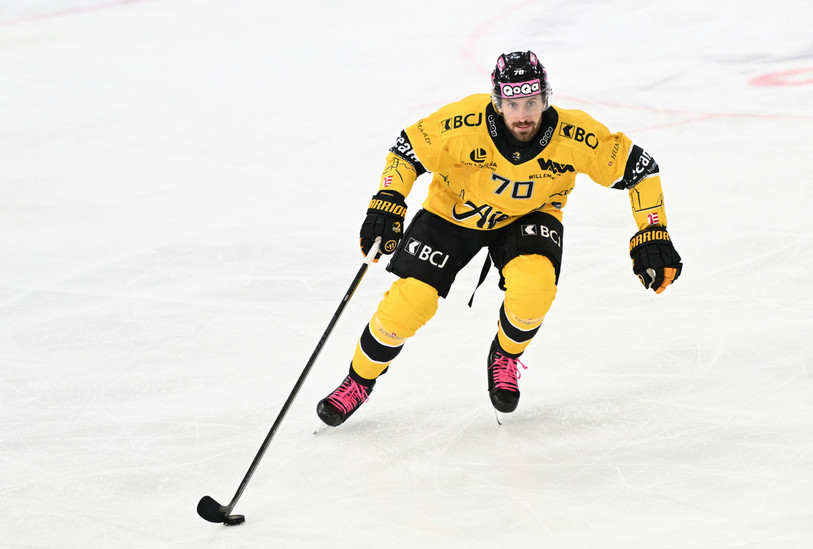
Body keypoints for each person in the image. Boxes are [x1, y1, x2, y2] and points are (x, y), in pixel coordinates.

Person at [316, 50, 682, 426]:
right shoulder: (463, 123)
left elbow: (640, 168)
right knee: (411, 302)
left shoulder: (575, 135)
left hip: (528, 215)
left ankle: (505, 355)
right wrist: (387, 200)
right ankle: (359, 381)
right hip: (452, 212)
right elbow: (407, 150)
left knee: (534, 287)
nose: (523, 115)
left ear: (545, 98)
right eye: (512, 103)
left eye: (531, 102)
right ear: (497, 101)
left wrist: (653, 230)